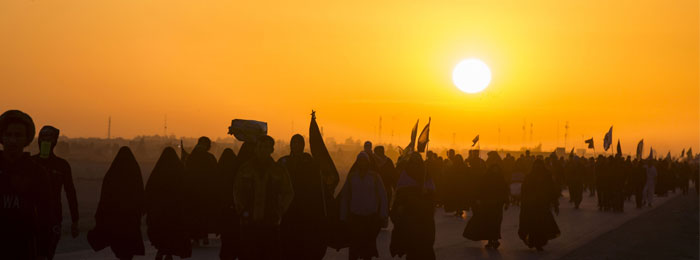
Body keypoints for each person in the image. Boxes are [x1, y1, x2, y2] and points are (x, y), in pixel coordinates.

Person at [0, 110, 52, 259]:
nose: (13, 140)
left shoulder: (37, 173)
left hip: (24, 248)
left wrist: (43, 253)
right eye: (8, 135)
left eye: (18, 135)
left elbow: (45, 217)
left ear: (26, 139)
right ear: (2, 137)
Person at [234, 135, 294, 260]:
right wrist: (242, 209)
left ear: (271, 150)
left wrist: (280, 211)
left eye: (266, 147)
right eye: (260, 147)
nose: (262, 150)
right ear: (255, 149)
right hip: (249, 223)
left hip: (270, 223)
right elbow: (237, 191)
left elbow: (288, 192)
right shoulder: (246, 169)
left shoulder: (278, 170)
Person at [87, 147, 145, 260]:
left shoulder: (112, 174)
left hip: (115, 220)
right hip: (130, 219)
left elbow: (105, 197)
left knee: (119, 245)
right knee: (128, 247)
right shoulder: (134, 173)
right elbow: (140, 193)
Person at [31, 125, 80, 259]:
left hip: (53, 218)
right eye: (43, 137)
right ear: (38, 140)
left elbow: (70, 193)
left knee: (48, 253)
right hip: (31, 217)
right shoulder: (30, 163)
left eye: (49, 137)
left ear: (55, 142)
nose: (45, 140)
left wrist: (75, 221)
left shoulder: (62, 165)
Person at [278, 134, 327, 260]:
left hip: (304, 209)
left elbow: (315, 184)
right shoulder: (284, 162)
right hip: (288, 208)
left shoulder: (308, 162)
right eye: (294, 143)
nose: (296, 146)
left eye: (298, 143)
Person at [339, 152, 389, 260]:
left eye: (364, 161)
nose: (362, 163)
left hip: (370, 219)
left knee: (367, 250)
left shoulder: (375, 177)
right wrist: (343, 216)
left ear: (368, 163)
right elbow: (345, 196)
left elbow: (383, 196)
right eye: (360, 161)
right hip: (355, 218)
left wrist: (383, 214)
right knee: (353, 249)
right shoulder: (352, 177)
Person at [145, 147, 192, 260]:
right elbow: (186, 189)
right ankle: (169, 253)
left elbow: (149, 190)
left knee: (162, 231)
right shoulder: (179, 171)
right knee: (173, 232)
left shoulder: (158, 171)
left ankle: (161, 251)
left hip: (160, 210)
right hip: (175, 210)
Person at [390, 152, 436, 260]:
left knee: (425, 247)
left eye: (417, 162)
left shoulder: (426, 176)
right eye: (413, 162)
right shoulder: (405, 176)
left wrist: (426, 193)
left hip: (424, 219)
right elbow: (399, 196)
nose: (415, 165)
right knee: (411, 248)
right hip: (409, 218)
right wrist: (399, 209)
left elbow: (432, 199)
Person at [462, 151, 509, 249]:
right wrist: (479, 199)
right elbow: (481, 189)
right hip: (488, 204)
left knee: (496, 223)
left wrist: (506, 202)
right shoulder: (486, 178)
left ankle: (494, 239)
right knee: (489, 222)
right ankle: (491, 240)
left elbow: (505, 190)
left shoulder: (500, 179)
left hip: (497, 205)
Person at [518, 159, 560, 251]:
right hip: (531, 205)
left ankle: (539, 243)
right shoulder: (529, 176)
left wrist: (555, 202)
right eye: (536, 165)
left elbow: (552, 189)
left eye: (540, 165)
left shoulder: (547, 176)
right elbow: (524, 190)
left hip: (543, 205)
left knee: (541, 225)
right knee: (532, 225)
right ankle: (533, 241)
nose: (538, 167)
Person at [183, 137, 218, 246]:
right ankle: (204, 236)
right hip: (206, 192)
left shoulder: (192, 157)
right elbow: (215, 174)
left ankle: (196, 237)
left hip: (193, 191)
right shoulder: (210, 157)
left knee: (195, 215)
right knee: (204, 215)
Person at [218, 148, 240, 260]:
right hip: (235, 209)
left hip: (224, 210)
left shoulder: (219, 172)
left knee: (226, 238)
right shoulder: (237, 172)